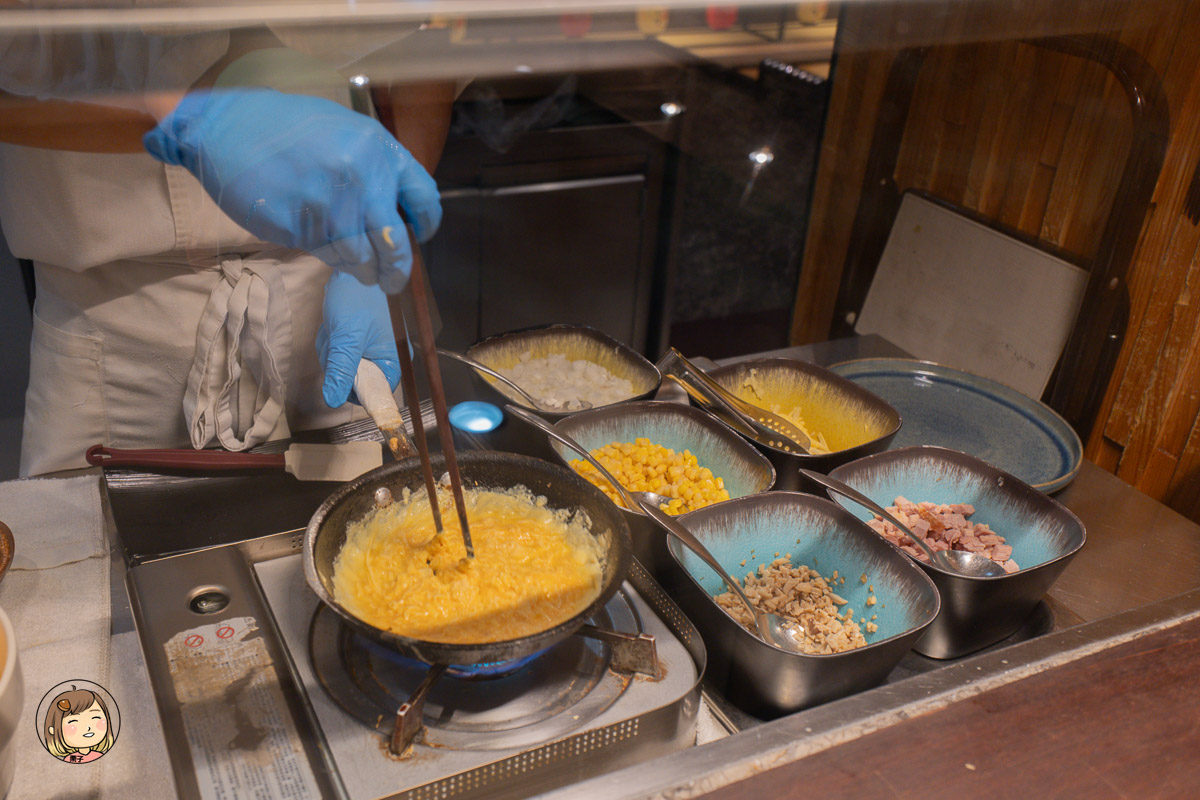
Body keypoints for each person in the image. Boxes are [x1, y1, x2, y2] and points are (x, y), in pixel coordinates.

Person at [0, 24, 454, 475]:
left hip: (333, 297)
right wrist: (190, 119)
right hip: (115, 342)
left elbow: (430, 42)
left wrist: (377, 240)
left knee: (393, 527)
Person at [42, 686, 116, 763]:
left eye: (95, 717)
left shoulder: (100, 756)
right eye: (74, 721)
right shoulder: (70, 759)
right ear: (53, 730)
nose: (88, 728)